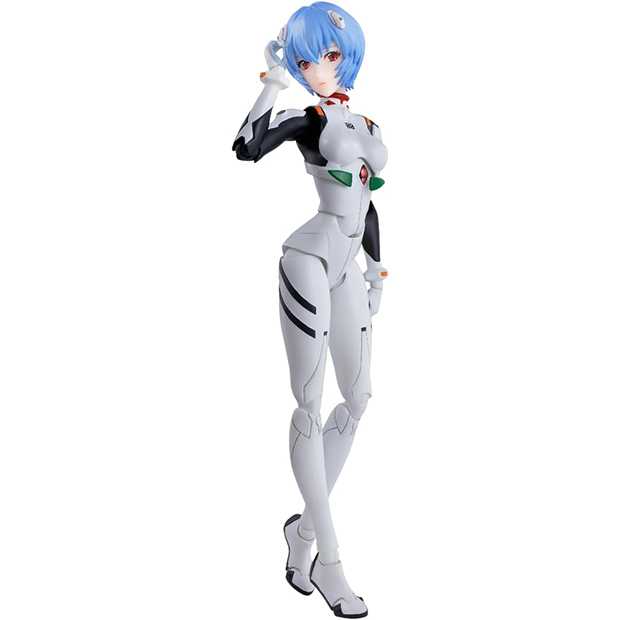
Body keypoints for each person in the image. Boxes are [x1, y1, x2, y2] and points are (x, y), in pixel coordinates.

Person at [232, 3, 388, 617]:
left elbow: (367, 203)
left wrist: (377, 270)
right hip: (309, 257)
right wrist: (272, 81)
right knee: (309, 403)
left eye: (326, 55)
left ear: (346, 56)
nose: (316, 67)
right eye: (305, 60)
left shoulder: (366, 123)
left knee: (358, 399)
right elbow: (247, 148)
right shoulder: (310, 118)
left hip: (348, 264)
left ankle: (301, 532)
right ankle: (330, 561)